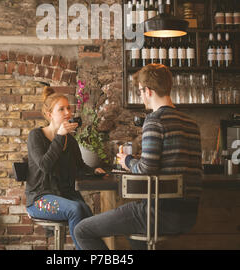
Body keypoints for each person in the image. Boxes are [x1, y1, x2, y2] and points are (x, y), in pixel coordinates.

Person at [74, 63, 202, 250]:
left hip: (158, 214)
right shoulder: (192, 124)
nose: (141, 96)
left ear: (148, 91)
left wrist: (126, 160)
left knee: (81, 230)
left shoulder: (154, 121)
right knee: (132, 233)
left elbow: (146, 169)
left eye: (140, 91)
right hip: (188, 215)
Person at [25, 86, 105, 250]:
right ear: (49, 115)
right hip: (39, 200)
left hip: (65, 196)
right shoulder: (36, 136)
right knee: (76, 208)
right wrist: (60, 136)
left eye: (68, 108)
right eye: (61, 109)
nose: (68, 112)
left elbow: (80, 167)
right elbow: (45, 166)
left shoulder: (71, 140)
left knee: (86, 211)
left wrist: (94, 171)